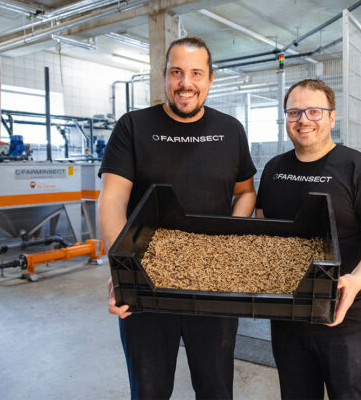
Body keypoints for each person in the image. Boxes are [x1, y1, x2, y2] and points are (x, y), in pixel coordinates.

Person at [97, 36, 256, 400]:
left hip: (214, 282)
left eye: (196, 73)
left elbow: (246, 192)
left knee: (216, 387)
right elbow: (112, 200)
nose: (186, 83)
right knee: (149, 390)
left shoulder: (231, 130)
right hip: (147, 281)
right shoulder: (133, 127)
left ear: (210, 79)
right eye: (177, 72)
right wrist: (121, 268)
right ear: (165, 77)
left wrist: (231, 238)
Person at [255, 79, 361, 400]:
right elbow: (262, 231)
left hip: (344, 321)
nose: (303, 120)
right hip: (287, 319)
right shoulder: (274, 169)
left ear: (332, 118)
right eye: (294, 112)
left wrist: (356, 279)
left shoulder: (359, 170)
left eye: (314, 111)